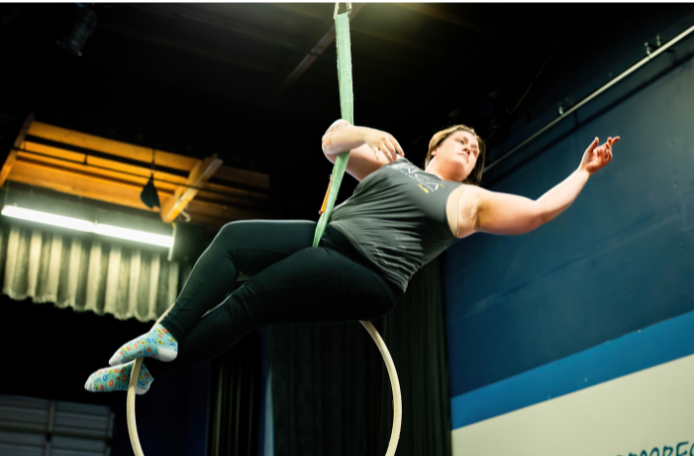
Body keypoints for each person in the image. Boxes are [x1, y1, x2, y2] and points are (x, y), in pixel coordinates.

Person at [85, 120, 618, 394]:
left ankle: (149, 369)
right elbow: (332, 143)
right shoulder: (394, 164)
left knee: (248, 302)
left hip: (367, 272)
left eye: (476, 149)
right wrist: (366, 133)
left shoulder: (469, 202)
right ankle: (163, 339)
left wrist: (583, 172)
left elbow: (539, 211)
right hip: (326, 235)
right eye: (461, 139)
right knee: (231, 238)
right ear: (435, 147)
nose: (470, 147)